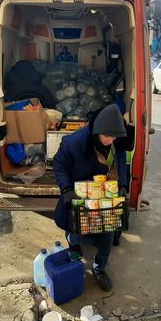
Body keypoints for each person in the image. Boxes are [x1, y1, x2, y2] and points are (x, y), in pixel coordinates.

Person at [52, 104, 129, 292]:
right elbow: (59, 163)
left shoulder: (115, 141)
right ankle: (74, 247)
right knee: (76, 226)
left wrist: (123, 185)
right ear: (97, 132)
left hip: (105, 192)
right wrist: (67, 189)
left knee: (107, 229)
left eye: (114, 137)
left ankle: (99, 266)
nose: (111, 141)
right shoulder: (74, 143)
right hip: (80, 192)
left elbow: (121, 163)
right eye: (107, 137)